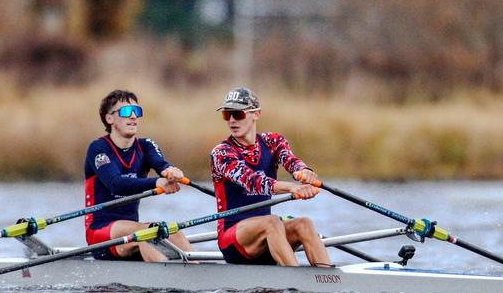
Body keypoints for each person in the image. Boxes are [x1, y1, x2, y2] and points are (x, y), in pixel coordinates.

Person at [210, 87, 331, 267]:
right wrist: (292, 187)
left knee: (304, 224)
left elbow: (290, 160)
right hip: (233, 239)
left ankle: (328, 281)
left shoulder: (272, 141)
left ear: (256, 114)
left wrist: (303, 172)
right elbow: (252, 182)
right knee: (272, 222)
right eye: (227, 115)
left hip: (267, 238)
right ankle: (296, 283)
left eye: (238, 114)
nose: (232, 121)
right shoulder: (221, 153)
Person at [84, 89, 195, 262]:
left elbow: (161, 165)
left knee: (173, 231)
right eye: (127, 112)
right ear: (109, 118)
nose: (134, 117)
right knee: (147, 233)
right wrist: (157, 182)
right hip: (100, 233)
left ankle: (196, 275)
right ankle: (168, 282)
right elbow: (115, 184)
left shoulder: (145, 145)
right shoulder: (98, 149)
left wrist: (171, 172)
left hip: (132, 229)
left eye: (137, 111)